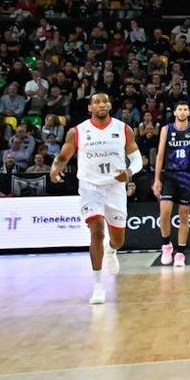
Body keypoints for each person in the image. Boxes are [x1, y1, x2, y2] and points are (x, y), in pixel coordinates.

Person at [51, 93, 137, 305]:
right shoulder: (78, 131)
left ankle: (111, 250)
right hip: (90, 187)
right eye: (96, 102)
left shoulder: (123, 129)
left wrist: (129, 172)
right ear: (90, 107)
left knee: (118, 240)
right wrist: (55, 168)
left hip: (115, 188)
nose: (101, 104)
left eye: (105, 101)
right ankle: (98, 285)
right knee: (97, 231)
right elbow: (63, 157)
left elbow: (136, 159)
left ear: (110, 105)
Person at [152, 102, 190, 268]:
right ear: (175, 112)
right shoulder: (166, 129)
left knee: (184, 215)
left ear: (189, 112)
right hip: (169, 174)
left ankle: (181, 253)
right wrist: (157, 179)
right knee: (164, 213)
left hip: (188, 175)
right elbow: (160, 155)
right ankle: (166, 246)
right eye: (180, 109)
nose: (183, 112)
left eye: (185, 109)